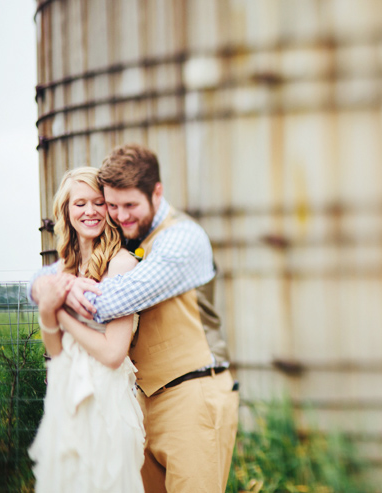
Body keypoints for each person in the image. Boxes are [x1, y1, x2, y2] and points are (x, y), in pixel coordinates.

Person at [29, 144, 238, 492]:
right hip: (141, 399)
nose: (119, 215)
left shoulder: (179, 238)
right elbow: (46, 279)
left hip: (191, 393)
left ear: (157, 193)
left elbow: (112, 300)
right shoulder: (131, 237)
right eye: (113, 205)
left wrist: (57, 296)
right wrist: (41, 285)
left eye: (129, 206)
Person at [28, 167, 144, 492]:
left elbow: (112, 352)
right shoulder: (63, 269)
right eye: (80, 204)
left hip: (106, 399)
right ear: (66, 211)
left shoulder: (122, 265)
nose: (90, 211)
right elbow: (55, 351)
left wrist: (60, 308)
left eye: (98, 202)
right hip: (66, 394)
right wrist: (48, 306)